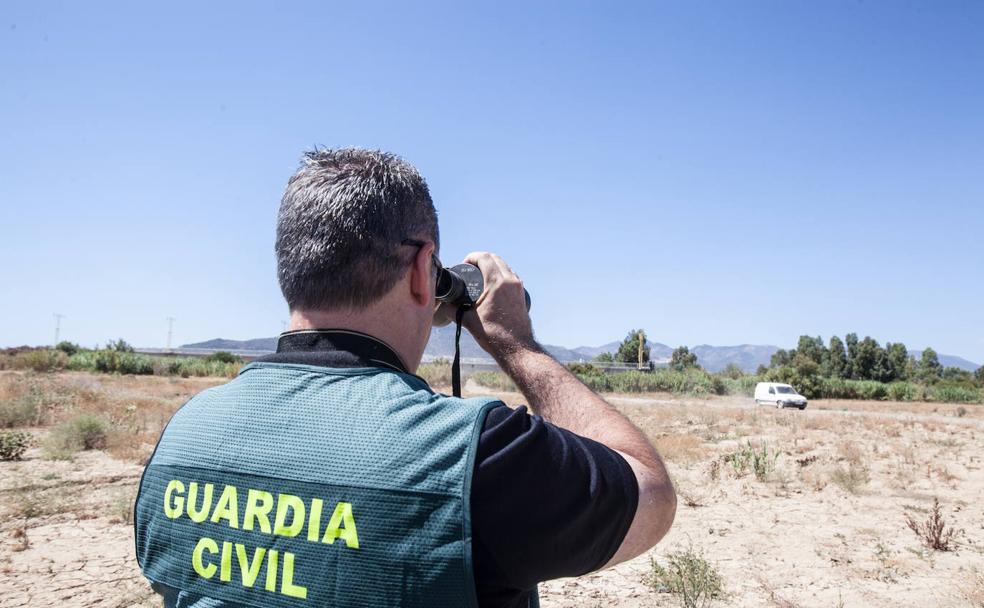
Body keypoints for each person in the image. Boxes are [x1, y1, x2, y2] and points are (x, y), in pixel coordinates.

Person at [134, 148, 676, 608]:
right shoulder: (476, 455)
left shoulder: (184, 433)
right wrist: (514, 341)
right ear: (424, 271)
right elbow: (649, 494)